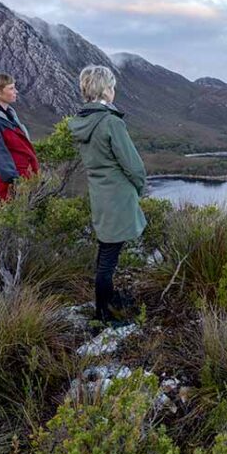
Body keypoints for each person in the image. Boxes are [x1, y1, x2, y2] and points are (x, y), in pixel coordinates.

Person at [68, 64, 147, 324]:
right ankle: (104, 314)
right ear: (106, 89)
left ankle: (107, 301)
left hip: (100, 194)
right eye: (112, 86)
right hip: (118, 196)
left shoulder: (83, 121)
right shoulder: (111, 122)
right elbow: (133, 166)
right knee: (108, 258)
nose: (114, 91)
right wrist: (139, 187)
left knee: (105, 250)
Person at [0, 72, 39, 205]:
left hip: (23, 180)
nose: (16, 91)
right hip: (6, 187)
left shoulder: (9, 114)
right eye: (11, 88)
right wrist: (15, 181)